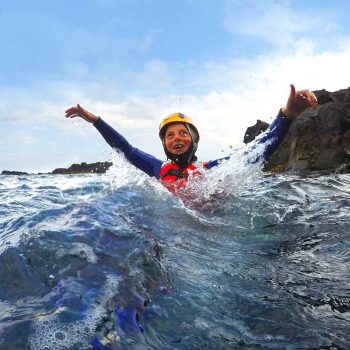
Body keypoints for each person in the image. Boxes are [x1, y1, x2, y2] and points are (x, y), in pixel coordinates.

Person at [65, 84, 317, 193]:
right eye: (170, 135)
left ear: (194, 140)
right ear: (163, 144)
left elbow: (258, 150)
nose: (177, 138)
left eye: (183, 133)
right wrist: (96, 121)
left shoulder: (211, 170)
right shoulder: (156, 168)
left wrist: (286, 115)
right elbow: (126, 149)